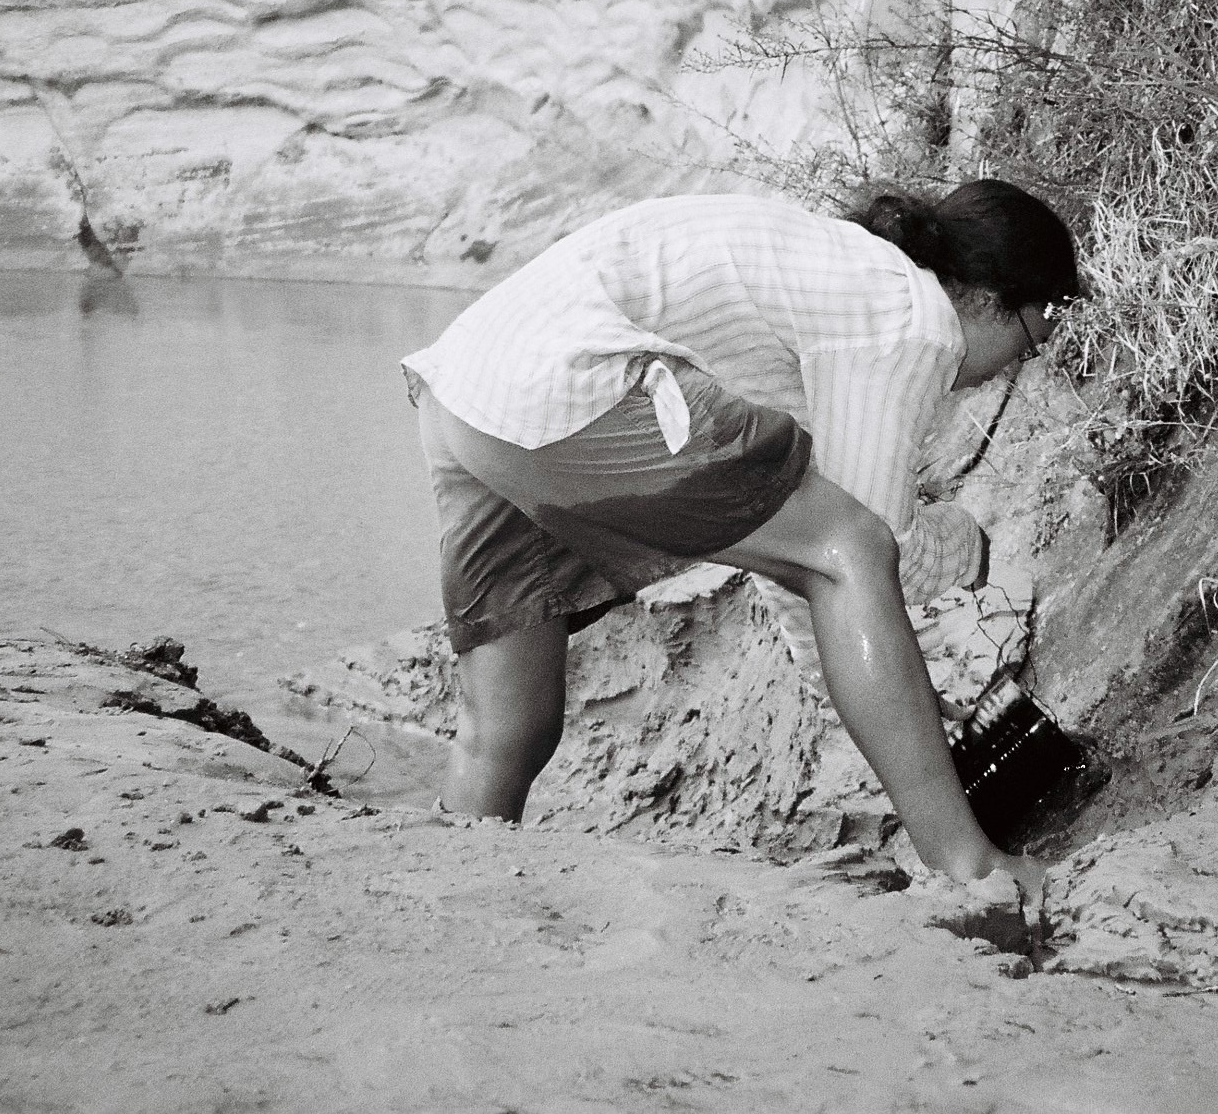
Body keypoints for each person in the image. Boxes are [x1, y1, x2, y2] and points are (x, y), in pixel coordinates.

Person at [399, 179, 1078, 893]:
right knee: (852, 548)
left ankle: (455, 899)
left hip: (470, 391)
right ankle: (972, 867)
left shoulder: (837, 273)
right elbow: (865, 549)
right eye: (1029, 342)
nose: (1010, 370)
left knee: (508, 728)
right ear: (987, 297)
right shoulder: (915, 316)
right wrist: (966, 545)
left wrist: (887, 693)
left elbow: (793, 549)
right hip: (565, 383)